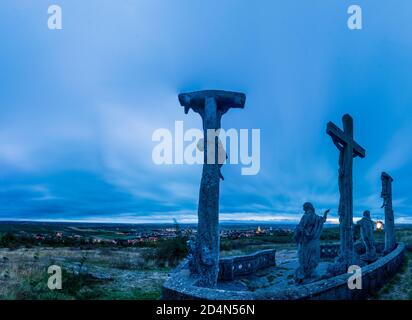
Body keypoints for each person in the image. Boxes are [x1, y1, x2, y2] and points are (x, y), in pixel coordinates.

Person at [294, 202, 329, 283]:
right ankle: (311, 271)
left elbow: (301, 228)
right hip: (314, 241)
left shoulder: (305, 217)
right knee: (313, 255)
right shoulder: (316, 217)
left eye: (304, 208)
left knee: (305, 256)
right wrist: (325, 213)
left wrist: (300, 232)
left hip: (306, 241)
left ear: (306, 208)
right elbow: (323, 220)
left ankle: (306, 272)